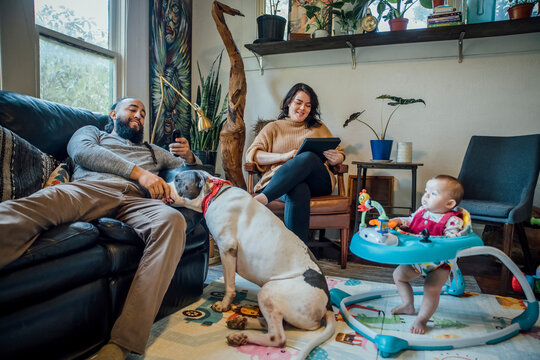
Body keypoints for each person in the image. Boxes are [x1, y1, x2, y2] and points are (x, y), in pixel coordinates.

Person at [0, 97, 200, 360]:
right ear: (113, 114)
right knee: (31, 207)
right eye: (133, 109)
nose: (139, 115)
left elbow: (197, 175)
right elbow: (82, 152)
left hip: (136, 201)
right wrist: (140, 173)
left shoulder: (153, 151)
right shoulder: (92, 132)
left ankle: (123, 343)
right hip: (90, 189)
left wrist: (189, 157)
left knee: (173, 221)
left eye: (143, 113)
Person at [245, 83, 345, 243]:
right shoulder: (273, 128)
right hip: (282, 183)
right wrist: (283, 156)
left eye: (308, 105)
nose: (302, 108)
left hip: (318, 182)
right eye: (298, 102)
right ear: (289, 102)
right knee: (298, 188)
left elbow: (339, 152)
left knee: (308, 156)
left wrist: (337, 157)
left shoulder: (318, 127)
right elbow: (253, 155)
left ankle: (264, 198)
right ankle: (298, 251)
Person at [389, 174, 465, 334]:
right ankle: (408, 305)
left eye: (434, 193)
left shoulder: (452, 220)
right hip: (417, 258)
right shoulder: (422, 211)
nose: (426, 196)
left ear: (449, 203)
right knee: (398, 276)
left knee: (431, 289)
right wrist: (399, 221)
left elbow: (453, 239)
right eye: (426, 191)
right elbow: (411, 221)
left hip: (439, 263)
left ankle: (422, 319)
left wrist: (440, 240)